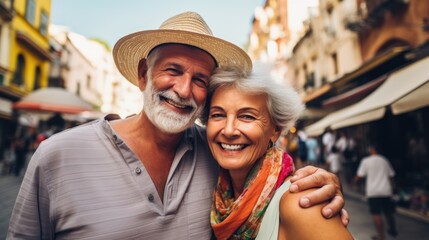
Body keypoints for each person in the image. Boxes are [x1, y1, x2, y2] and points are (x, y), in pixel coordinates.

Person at [8, 12, 347, 239]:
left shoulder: (217, 151)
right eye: (172, 70)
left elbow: (272, 177)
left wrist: (321, 183)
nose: (184, 90)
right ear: (144, 75)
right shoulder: (58, 155)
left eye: (200, 79)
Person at [203, 67, 353, 239]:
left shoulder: (300, 203)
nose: (229, 131)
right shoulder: (220, 194)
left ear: (275, 130)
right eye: (218, 115)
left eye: (247, 116)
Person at [355, 145, 398, 240]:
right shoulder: (384, 160)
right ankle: (392, 228)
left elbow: (359, 176)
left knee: (377, 214)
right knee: (388, 212)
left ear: (371, 150)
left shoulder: (366, 161)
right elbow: (391, 176)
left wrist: (355, 182)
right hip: (386, 190)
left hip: (373, 191)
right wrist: (393, 189)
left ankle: (381, 237)